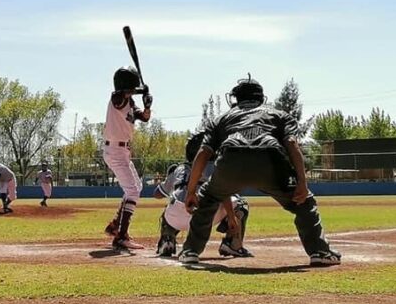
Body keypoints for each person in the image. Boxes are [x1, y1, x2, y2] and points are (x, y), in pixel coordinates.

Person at [180, 75, 341, 267]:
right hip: (270, 162)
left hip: (231, 163)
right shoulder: (279, 115)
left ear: (235, 99)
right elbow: (292, 144)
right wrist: (302, 183)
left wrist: (191, 191)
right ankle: (320, 252)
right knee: (304, 203)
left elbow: (203, 153)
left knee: (208, 199)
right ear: (261, 98)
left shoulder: (221, 119)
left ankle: (190, 251)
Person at [154, 132, 252, 258]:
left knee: (171, 206)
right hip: (203, 217)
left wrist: (170, 180)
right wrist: (231, 217)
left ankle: (167, 240)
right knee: (241, 204)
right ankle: (233, 244)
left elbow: (157, 194)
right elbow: (224, 195)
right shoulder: (214, 167)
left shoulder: (179, 169)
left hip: (175, 218)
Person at [103, 66, 152, 251]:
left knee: (136, 187)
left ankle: (116, 225)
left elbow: (144, 118)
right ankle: (121, 237)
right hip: (115, 150)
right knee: (132, 190)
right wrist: (141, 90)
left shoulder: (129, 102)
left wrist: (147, 105)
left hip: (122, 151)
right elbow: (119, 97)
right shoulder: (117, 98)